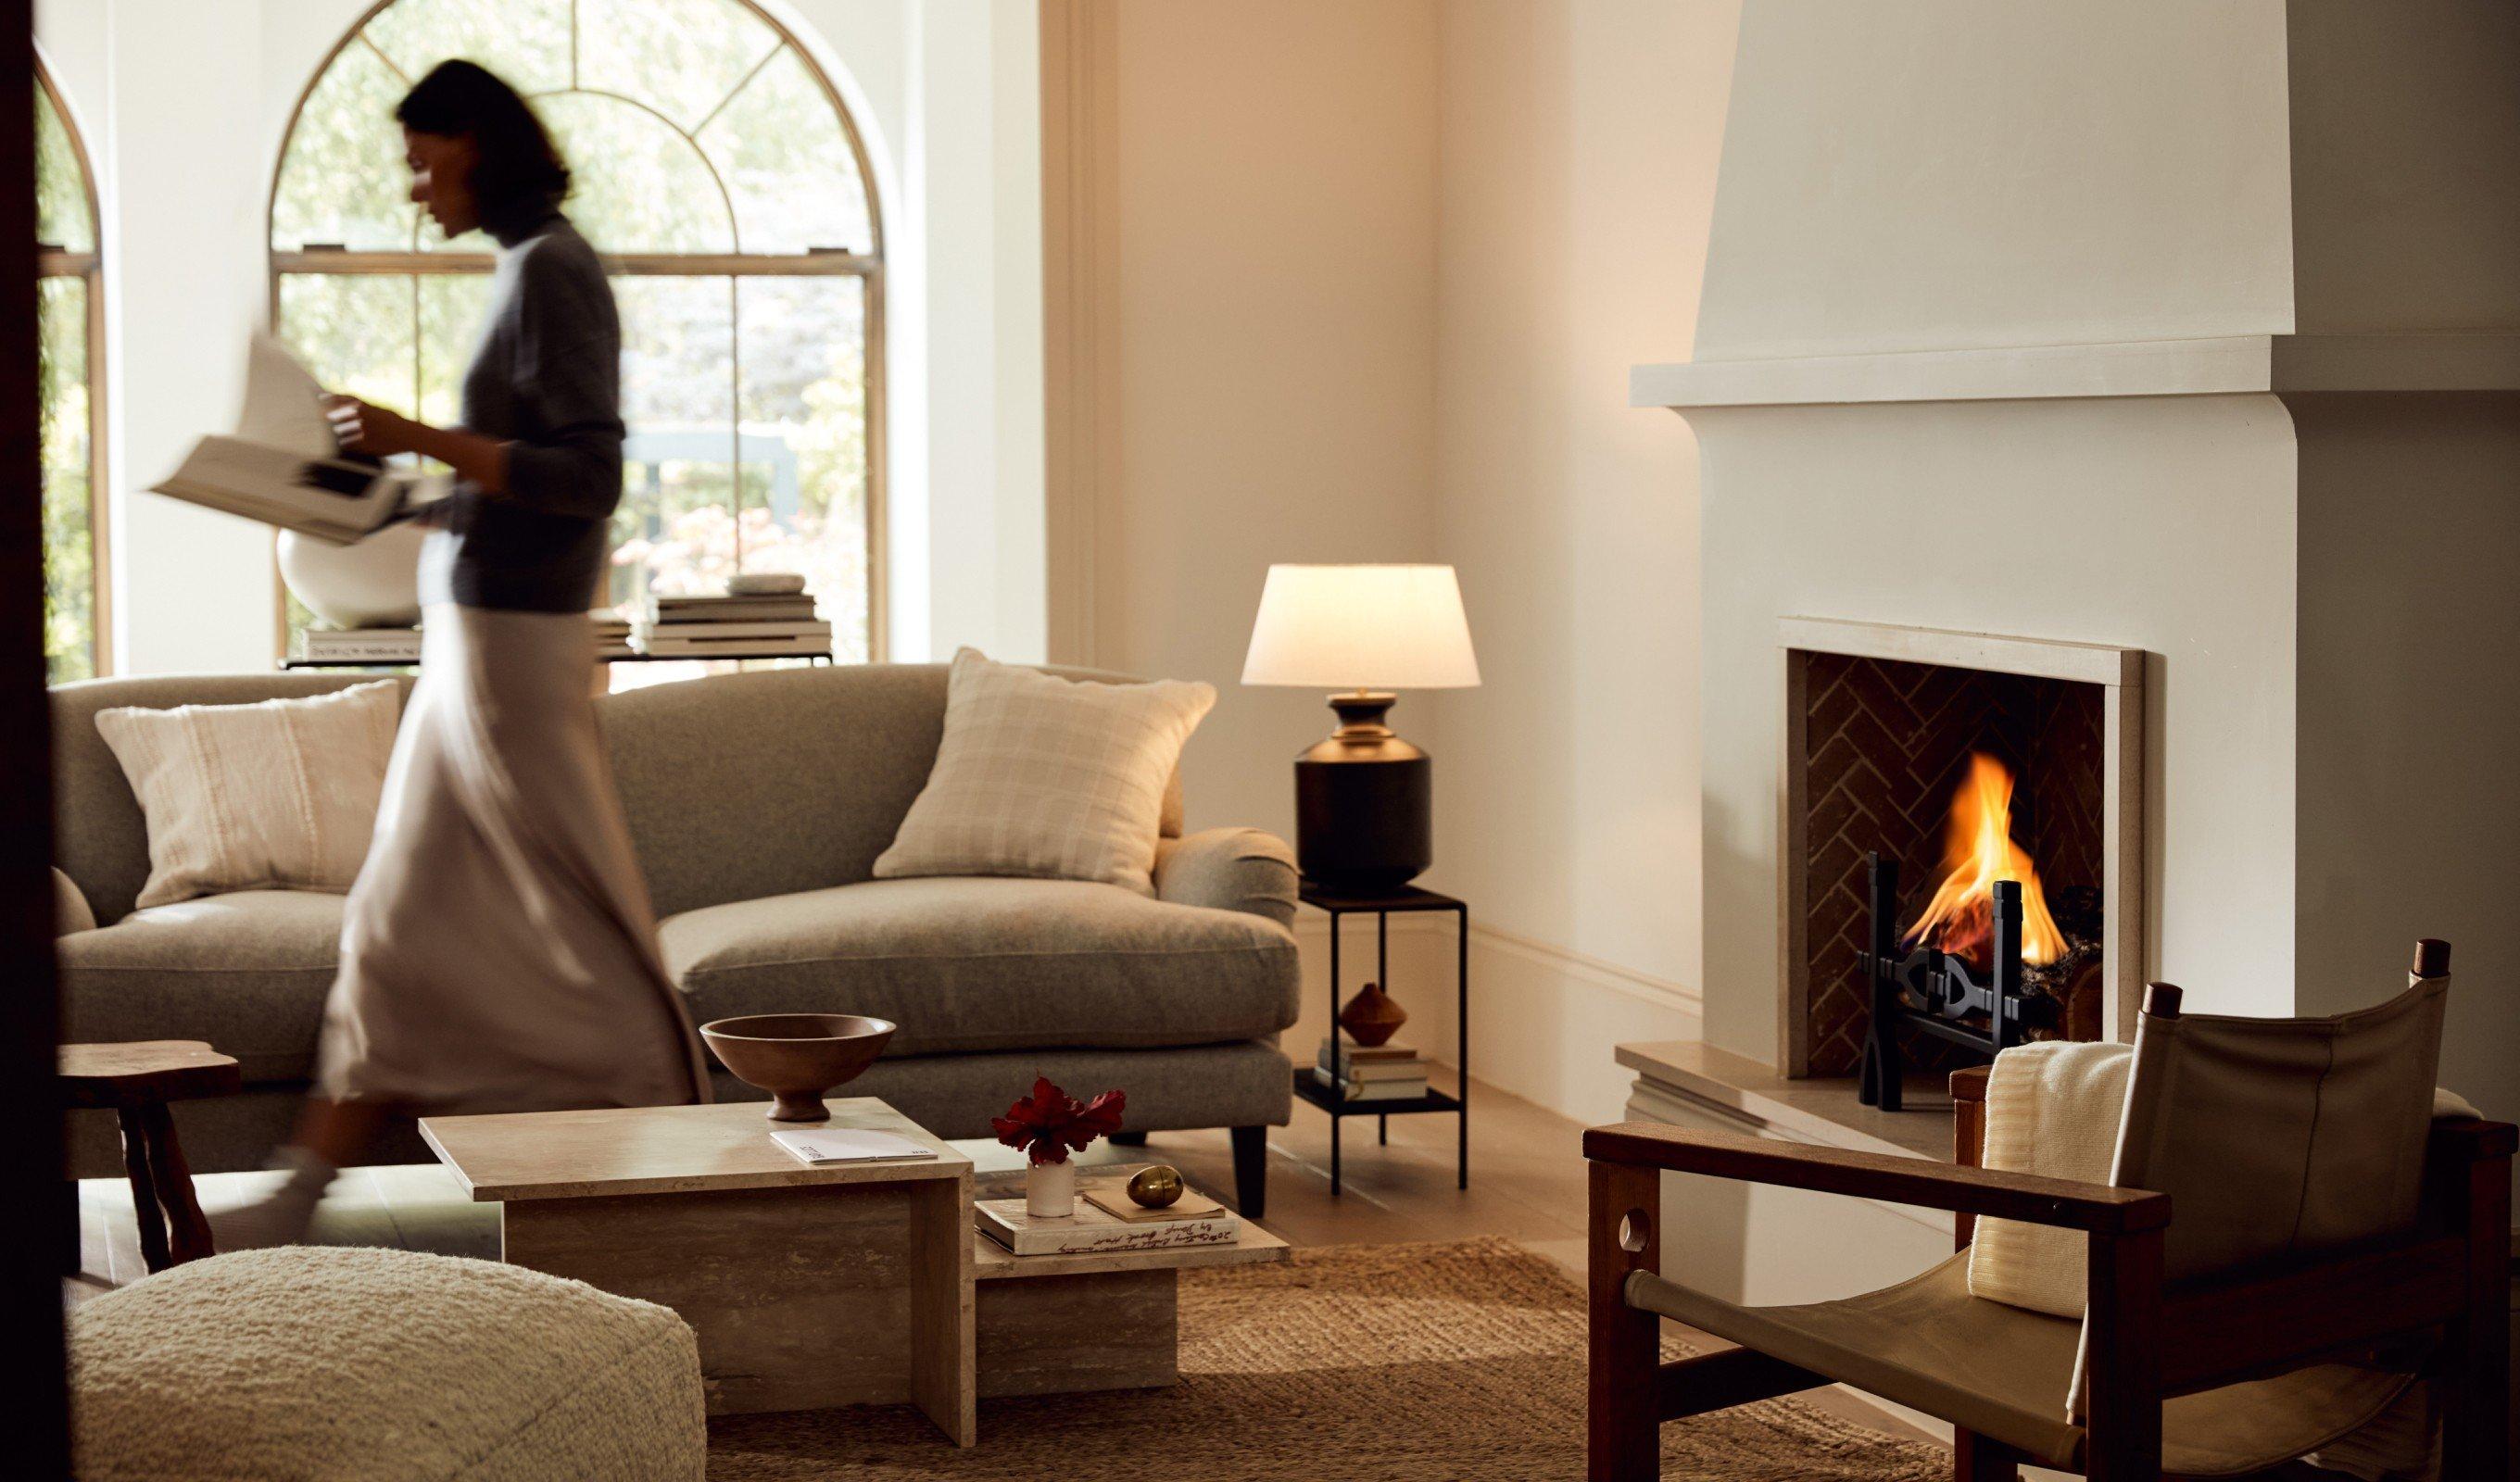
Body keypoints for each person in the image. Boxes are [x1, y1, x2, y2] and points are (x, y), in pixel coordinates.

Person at [221, 60, 708, 1247]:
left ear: (479, 149)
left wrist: (415, 435)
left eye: (423, 160)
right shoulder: (519, 267)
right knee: (406, 914)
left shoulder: (554, 268)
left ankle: (677, 1148)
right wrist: (381, 494)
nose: (412, 188)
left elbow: (586, 478)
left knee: (563, 912)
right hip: (469, 646)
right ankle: (304, 1187)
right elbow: (510, 480)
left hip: (509, 656)